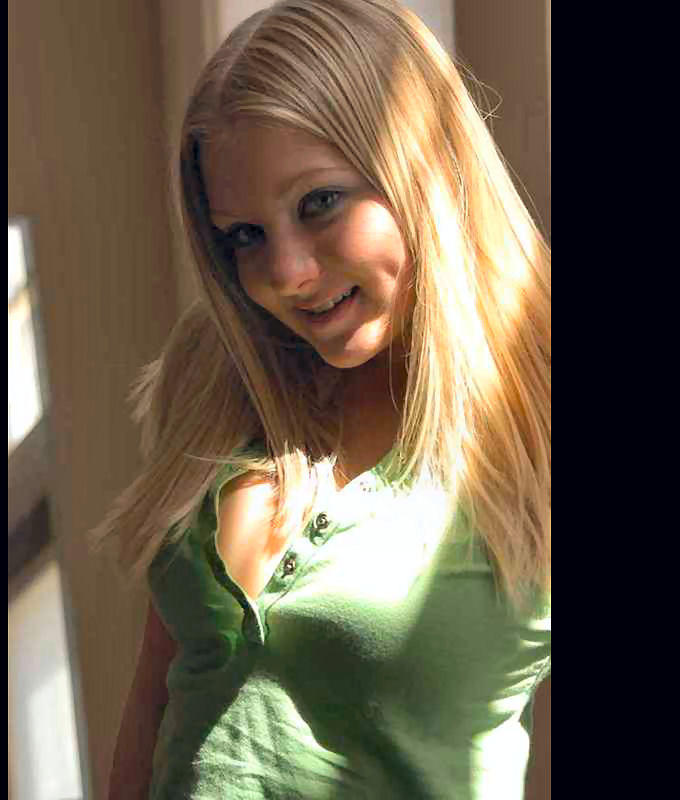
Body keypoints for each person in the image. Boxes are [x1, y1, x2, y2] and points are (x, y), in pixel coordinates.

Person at [96, 0, 551, 798]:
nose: (286, 275)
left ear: (422, 164)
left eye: (319, 203)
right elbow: (155, 699)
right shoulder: (220, 365)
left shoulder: (536, 395)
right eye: (245, 236)